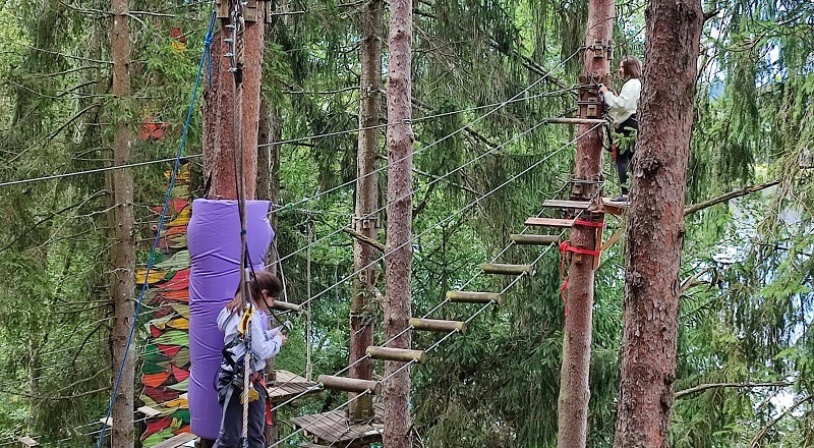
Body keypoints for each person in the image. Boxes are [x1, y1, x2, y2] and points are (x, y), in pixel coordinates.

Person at [213, 271, 287, 448]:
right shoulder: (249, 314)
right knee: (243, 438)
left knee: (232, 437)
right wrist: (278, 341)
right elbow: (260, 350)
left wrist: (271, 333)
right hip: (241, 380)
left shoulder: (233, 309)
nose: (272, 304)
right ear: (263, 293)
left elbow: (248, 339)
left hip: (235, 377)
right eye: (272, 299)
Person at [599, 55, 642, 202]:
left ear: (630, 68)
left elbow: (623, 105)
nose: (620, 70)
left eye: (622, 67)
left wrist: (606, 93)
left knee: (622, 160)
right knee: (630, 159)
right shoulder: (633, 84)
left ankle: (625, 194)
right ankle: (632, 192)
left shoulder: (632, 84)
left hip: (627, 125)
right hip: (630, 123)